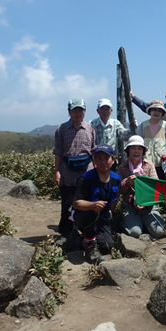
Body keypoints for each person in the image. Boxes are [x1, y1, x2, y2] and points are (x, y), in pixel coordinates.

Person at [53, 98, 96, 237]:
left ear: (84, 112)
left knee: (86, 202)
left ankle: (86, 232)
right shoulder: (62, 129)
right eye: (74, 110)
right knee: (67, 202)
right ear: (69, 112)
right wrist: (57, 172)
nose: (78, 113)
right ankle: (65, 233)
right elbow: (58, 152)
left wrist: (96, 172)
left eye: (81, 110)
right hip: (67, 171)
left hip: (86, 171)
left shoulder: (90, 128)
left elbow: (93, 151)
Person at [70, 144, 121, 263]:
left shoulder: (116, 178)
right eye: (99, 158)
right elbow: (76, 203)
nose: (103, 162)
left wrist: (109, 218)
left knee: (106, 246)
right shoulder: (86, 178)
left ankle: (81, 239)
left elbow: (113, 201)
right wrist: (92, 205)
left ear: (113, 160)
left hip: (102, 216)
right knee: (91, 212)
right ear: (94, 160)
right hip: (84, 214)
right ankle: (89, 245)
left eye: (106, 158)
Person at [118, 136, 166, 239]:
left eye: (139, 148)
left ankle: (142, 221)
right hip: (130, 205)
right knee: (135, 232)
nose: (136, 151)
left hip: (148, 204)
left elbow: (155, 187)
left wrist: (144, 201)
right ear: (128, 150)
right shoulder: (122, 167)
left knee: (158, 232)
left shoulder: (149, 165)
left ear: (143, 151)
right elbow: (120, 190)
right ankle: (125, 223)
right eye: (133, 148)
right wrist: (127, 182)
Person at [131, 87, 166, 165]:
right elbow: (143, 105)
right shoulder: (159, 107)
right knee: (165, 167)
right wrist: (132, 96)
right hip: (163, 145)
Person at [137, 100, 166, 180]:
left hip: (161, 162)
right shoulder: (143, 125)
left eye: (159, 111)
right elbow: (139, 142)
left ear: (163, 113)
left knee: (162, 184)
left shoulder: (165, 125)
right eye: (154, 110)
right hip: (146, 161)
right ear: (150, 111)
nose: (156, 112)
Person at [89, 98, 130, 169]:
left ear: (111, 111)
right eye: (102, 109)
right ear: (98, 111)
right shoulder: (91, 124)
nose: (105, 111)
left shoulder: (115, 123)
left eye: (107, 109)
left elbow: (125, 136)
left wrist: (133, 127)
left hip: (110, 159)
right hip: (97, 159)